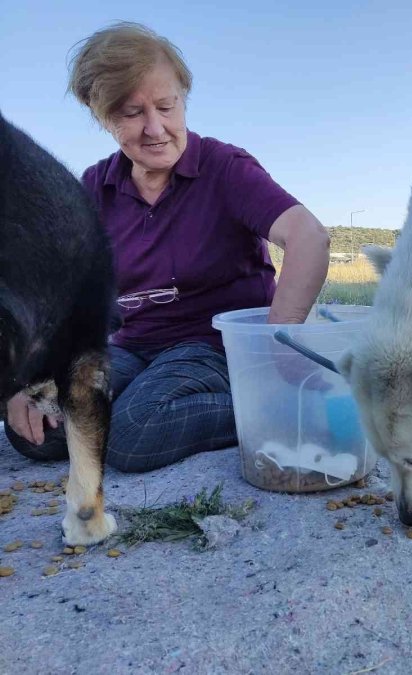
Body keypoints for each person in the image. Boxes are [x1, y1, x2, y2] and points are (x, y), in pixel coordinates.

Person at [2, 22, 330, 472]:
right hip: (133, 346)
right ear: (104, 117)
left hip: (210, 347)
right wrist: (30, 379)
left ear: (183, 100)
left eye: (166, 106)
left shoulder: (223, 167)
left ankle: (272, 406)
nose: (155, 128)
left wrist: (277, 350)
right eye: (132, 113)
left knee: (136, 434)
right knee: (38, 429)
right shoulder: (96, 186)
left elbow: (308, 236)